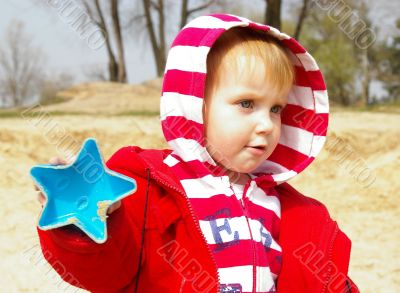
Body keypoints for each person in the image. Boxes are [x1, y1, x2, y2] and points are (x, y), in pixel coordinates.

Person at [35, 14, 359, 293]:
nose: (267, 125)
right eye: (246, 103)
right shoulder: (149, 187)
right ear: (193, 104)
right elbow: (106, 270)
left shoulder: (292, 210)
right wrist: (87, 221)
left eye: (276, 108)